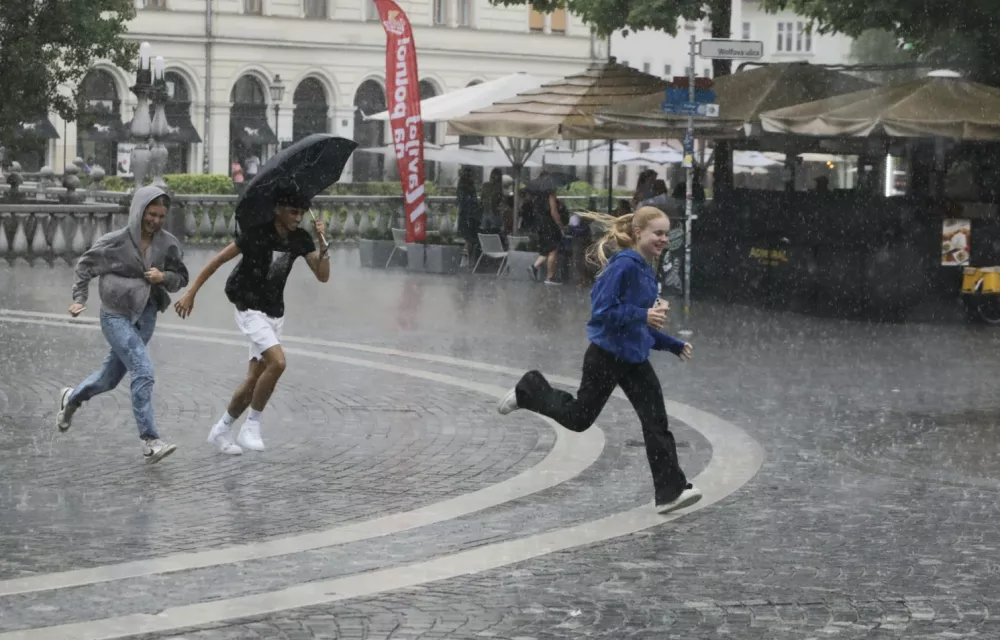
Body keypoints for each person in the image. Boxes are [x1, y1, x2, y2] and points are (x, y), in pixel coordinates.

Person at [497, 206, 701, 514]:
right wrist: (643, 313)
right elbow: (602, 311)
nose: (664, 239)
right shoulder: (625, 264)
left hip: (634, 359)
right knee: (579, 419)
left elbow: (640, 326)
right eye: (658, 233)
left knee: (656, 421)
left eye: (666, 234)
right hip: (606, 356)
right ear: (638, 233)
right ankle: (530, 388)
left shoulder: (647, 267)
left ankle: (671, 490)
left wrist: (673, 344)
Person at [173, 187, 329, 454]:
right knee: (278, 363)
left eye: (302, 213)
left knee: (253, 380)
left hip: (275, 313)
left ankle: (222, 429)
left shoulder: (300, 238)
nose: (298, 217)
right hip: (249, 309)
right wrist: (191, 293)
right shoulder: (257, 234)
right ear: (278, 210)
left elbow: (323, 275)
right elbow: (218, 260)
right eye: (293, 212)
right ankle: (251, 425)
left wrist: (322, 243)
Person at [57, 185, 189, 464]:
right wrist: (79, 299)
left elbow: (181, 278)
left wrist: (163, 277)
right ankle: (150, 441)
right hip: (115, 316)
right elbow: (85, 266)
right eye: (151, 214)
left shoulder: (168, 244)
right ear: (139, 211)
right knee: (143, 370)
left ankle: (71, 398)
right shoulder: (115, 241)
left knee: (108, 379)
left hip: (146, 316)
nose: (156, 221)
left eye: (161, 216)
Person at [456, 166, 482, 268]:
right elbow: (471, 201)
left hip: (464, 216)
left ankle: (466, 258)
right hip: (470, 217)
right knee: (471, 239)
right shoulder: (469, 187)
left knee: (468, 238)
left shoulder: (461, 186)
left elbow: (460, 201)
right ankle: (466, 257)